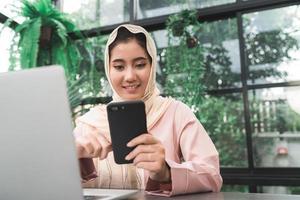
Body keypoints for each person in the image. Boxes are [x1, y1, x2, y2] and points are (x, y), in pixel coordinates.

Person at [73, 24, 222, 197]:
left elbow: (212, 175)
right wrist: (73, 159)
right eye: (119, 67)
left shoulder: (175, 113)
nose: (130, 77)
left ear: (152, 66)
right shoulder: (89, 123)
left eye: (140, 64)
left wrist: (166, 172)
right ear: (108, 69)